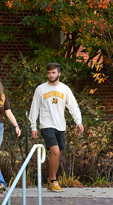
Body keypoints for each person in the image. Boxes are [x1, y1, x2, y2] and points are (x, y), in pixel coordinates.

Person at [29, 62, 84, 192]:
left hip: (60, 125)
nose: (51, 75)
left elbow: (73, 106)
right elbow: (34, 108)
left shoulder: (65, 89)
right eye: (49, 73)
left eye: (53, 73)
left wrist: (79, 122)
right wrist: (33, 126)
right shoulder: (40, 89)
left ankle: (50, 182)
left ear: (59, 73)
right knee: (55, 151)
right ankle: (53, 180)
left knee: (58, 153)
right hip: (46, 125)